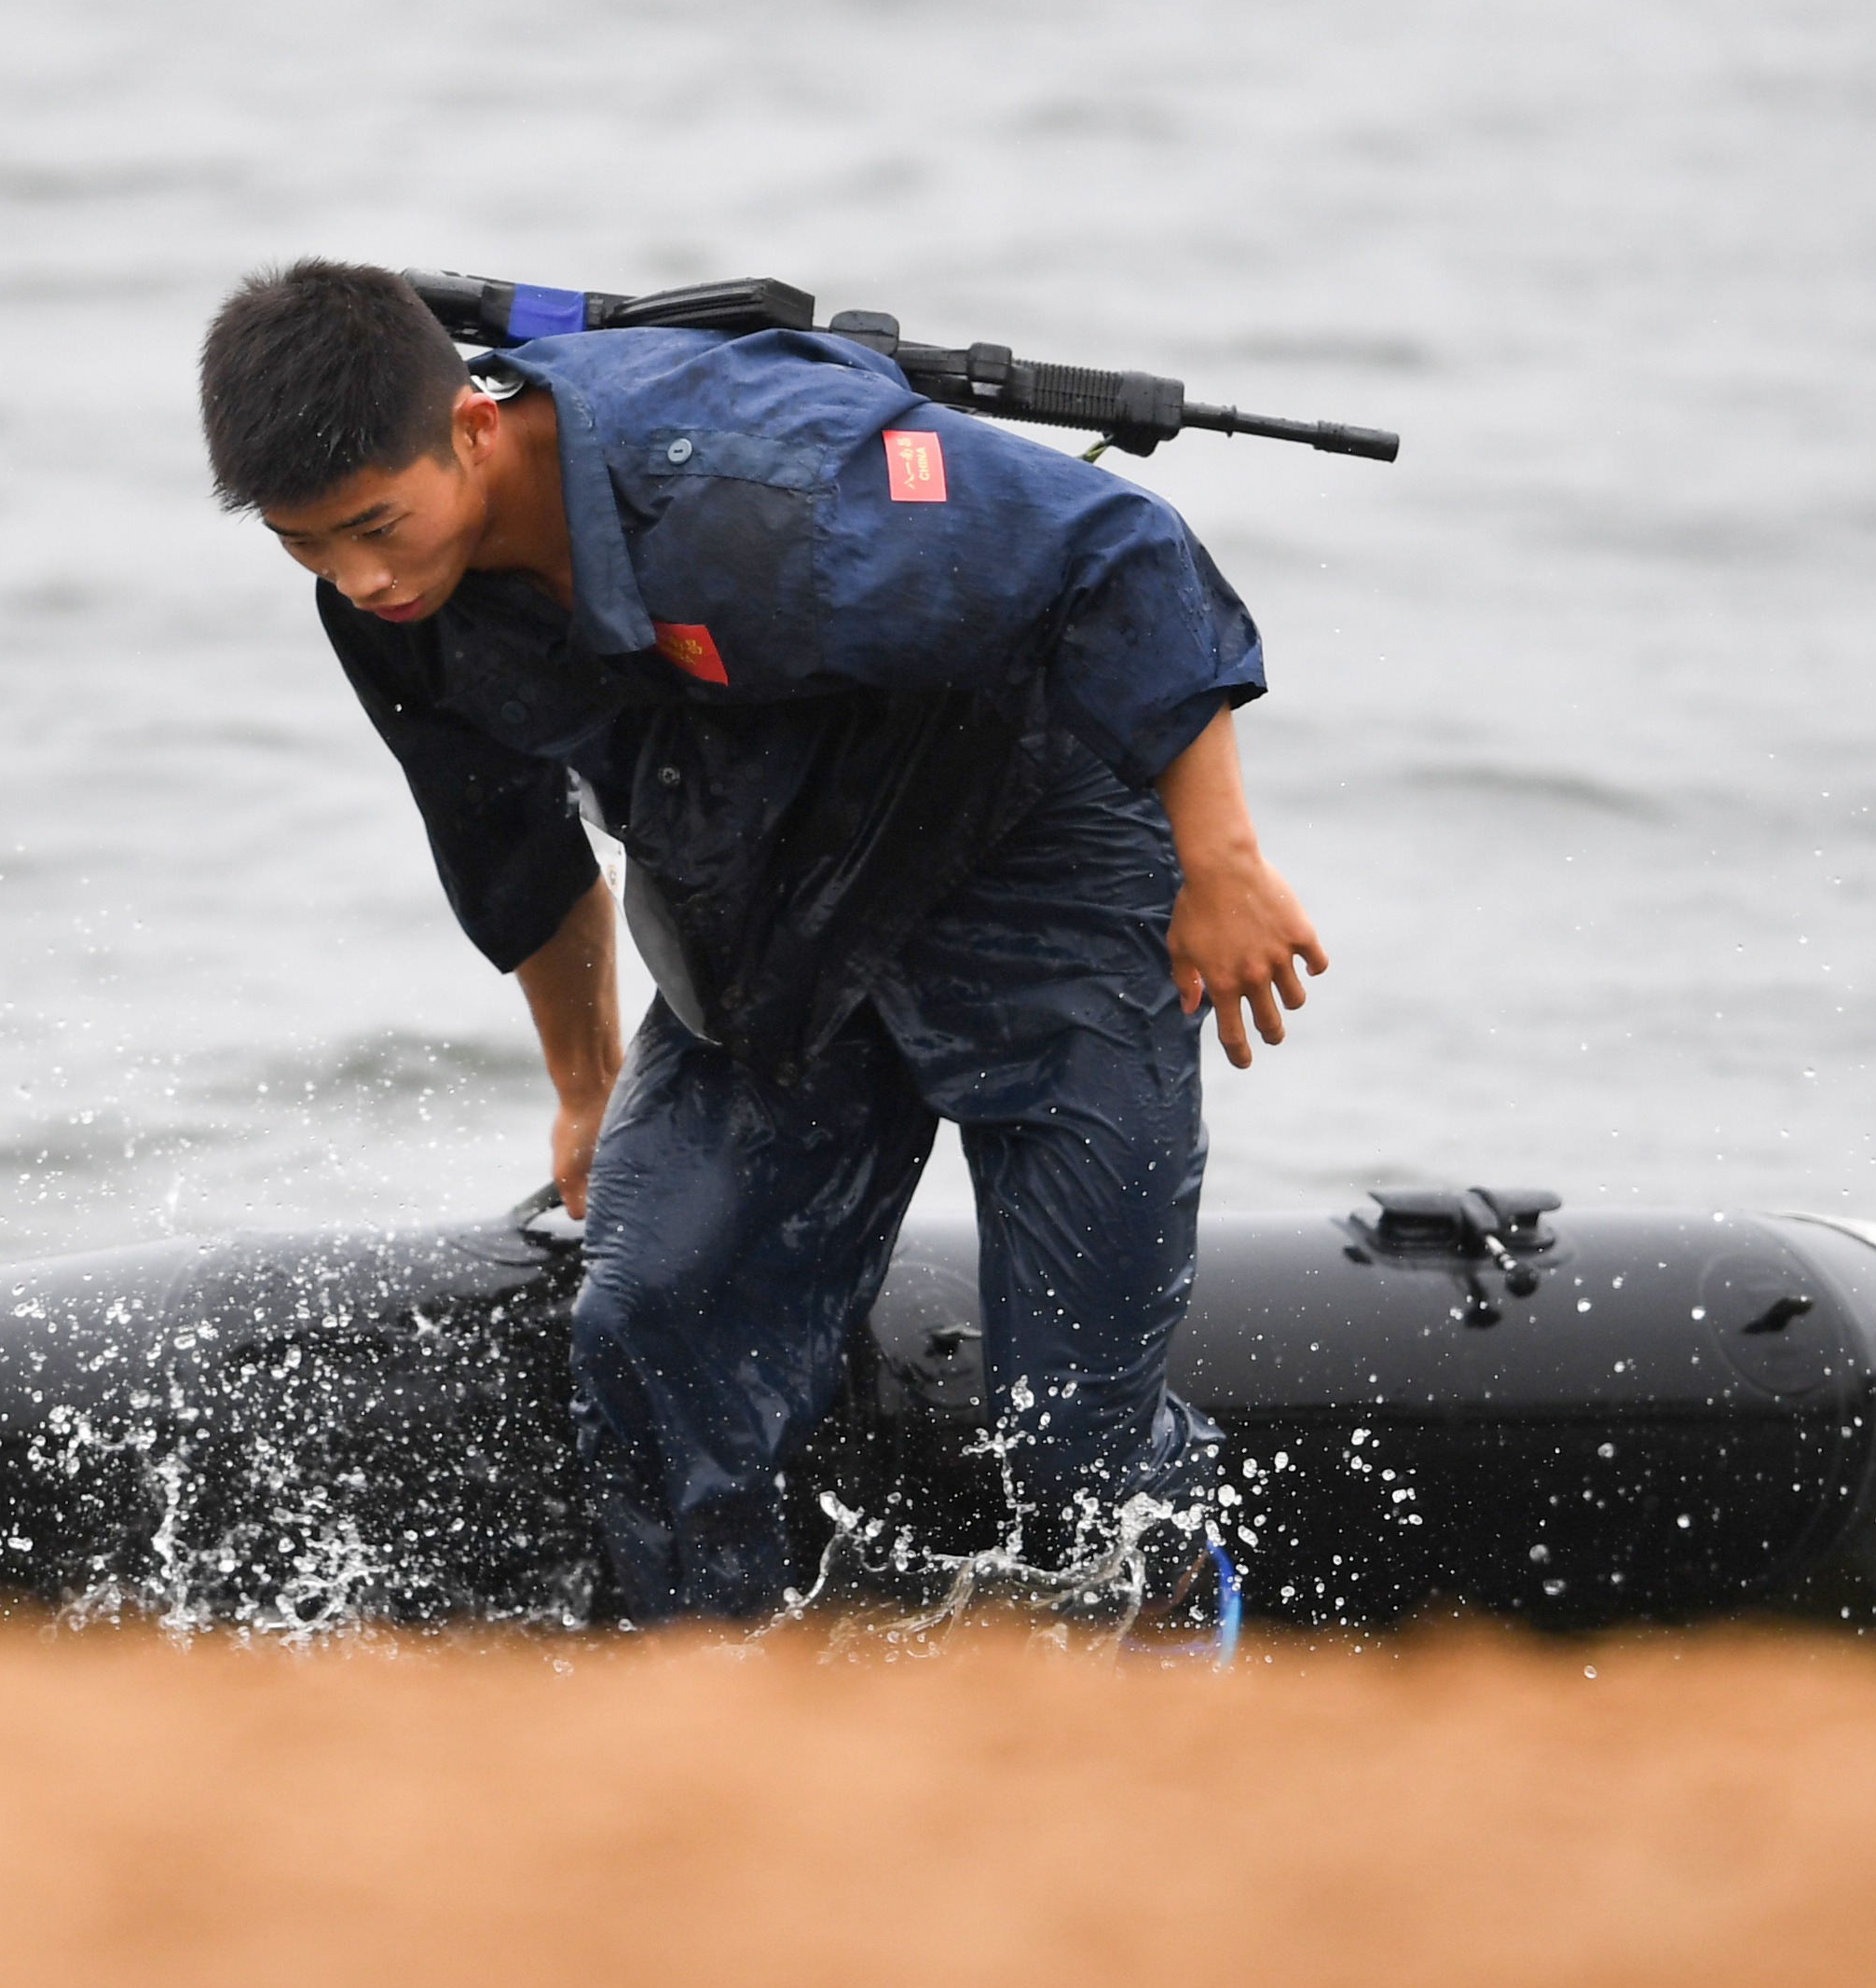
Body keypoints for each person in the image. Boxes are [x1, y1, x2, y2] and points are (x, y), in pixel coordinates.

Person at [198, 261, 1323, 1632]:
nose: (359, 576)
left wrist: (1222, 862)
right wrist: (584, 1082)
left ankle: (1178, 1654)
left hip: (1039, 869)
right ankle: (716, 1703)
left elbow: (1118, 549)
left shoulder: (754, 494)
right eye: (307, 545)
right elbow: (511, 850)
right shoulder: (397, 618)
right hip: (771, 908)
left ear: (476, 429)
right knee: (649, 1314)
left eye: (376, 525)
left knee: (1072, 1434)